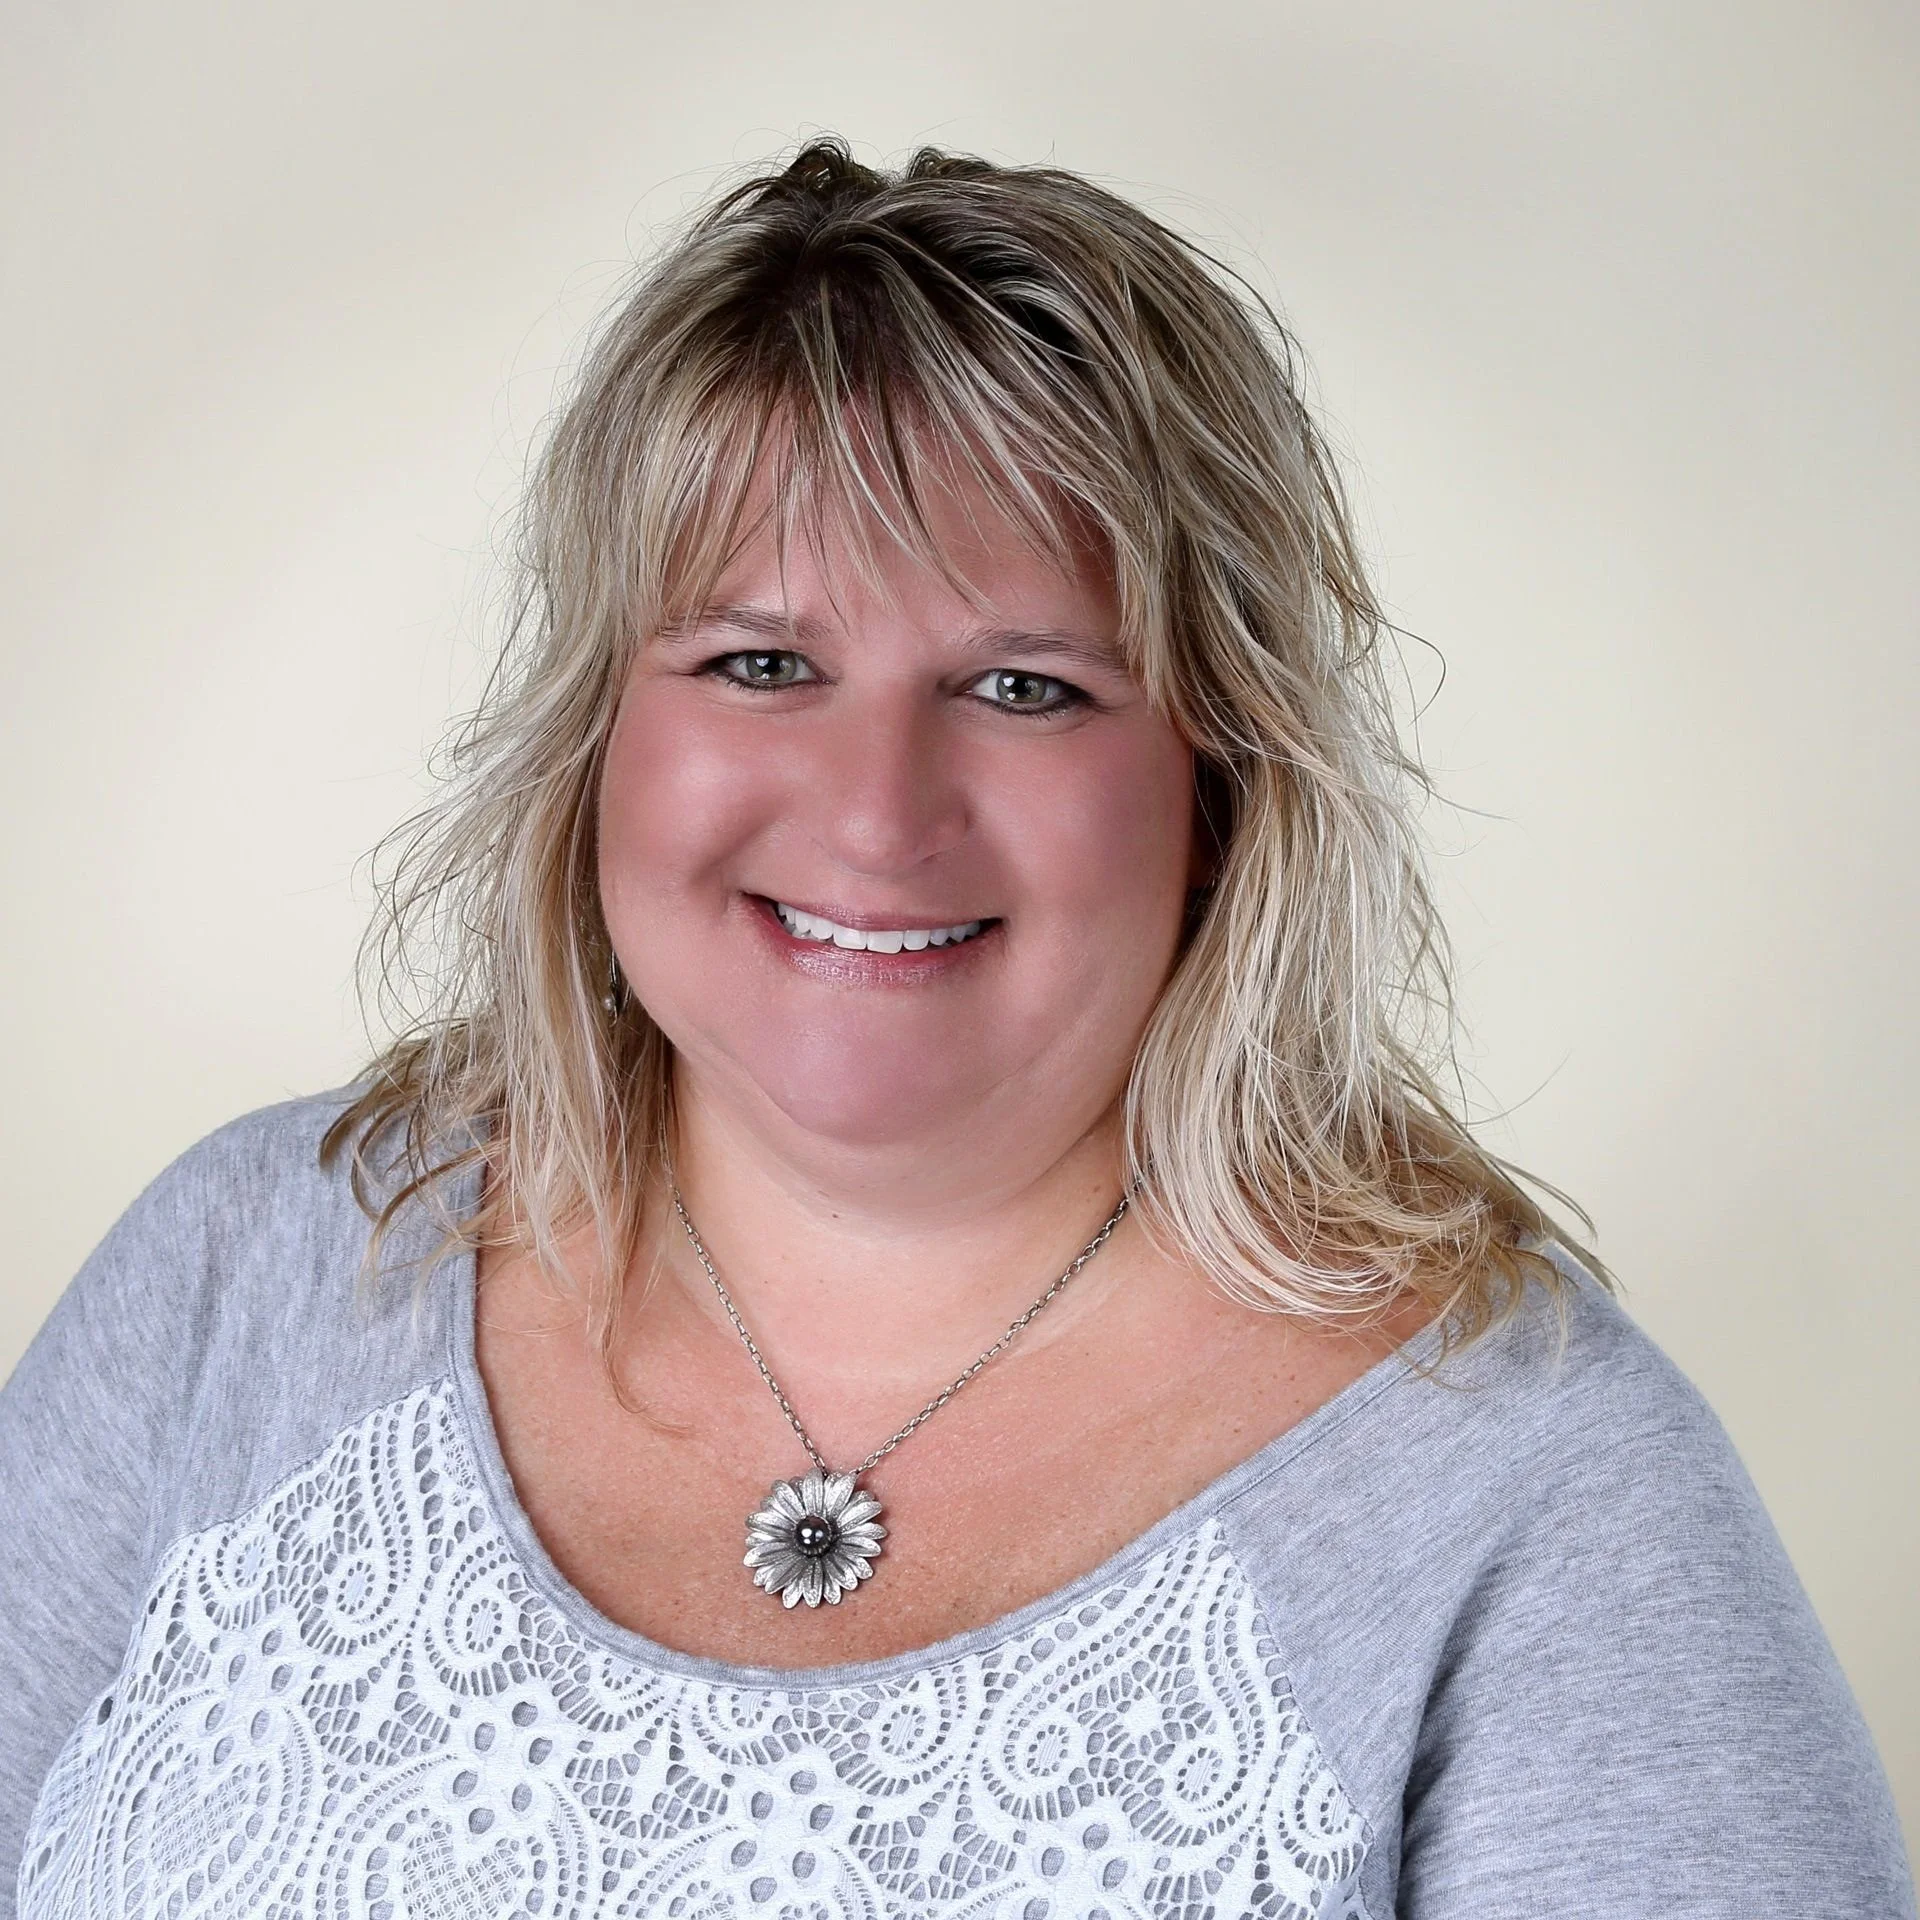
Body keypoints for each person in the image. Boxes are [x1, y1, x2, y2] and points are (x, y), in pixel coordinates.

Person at [0, 137, 1910, 1920]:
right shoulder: (244, 1271)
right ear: (600, 731)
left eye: (1024, 683)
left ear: (1222, 775)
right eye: (762, 662)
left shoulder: (1540, 1495)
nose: (874, 812)